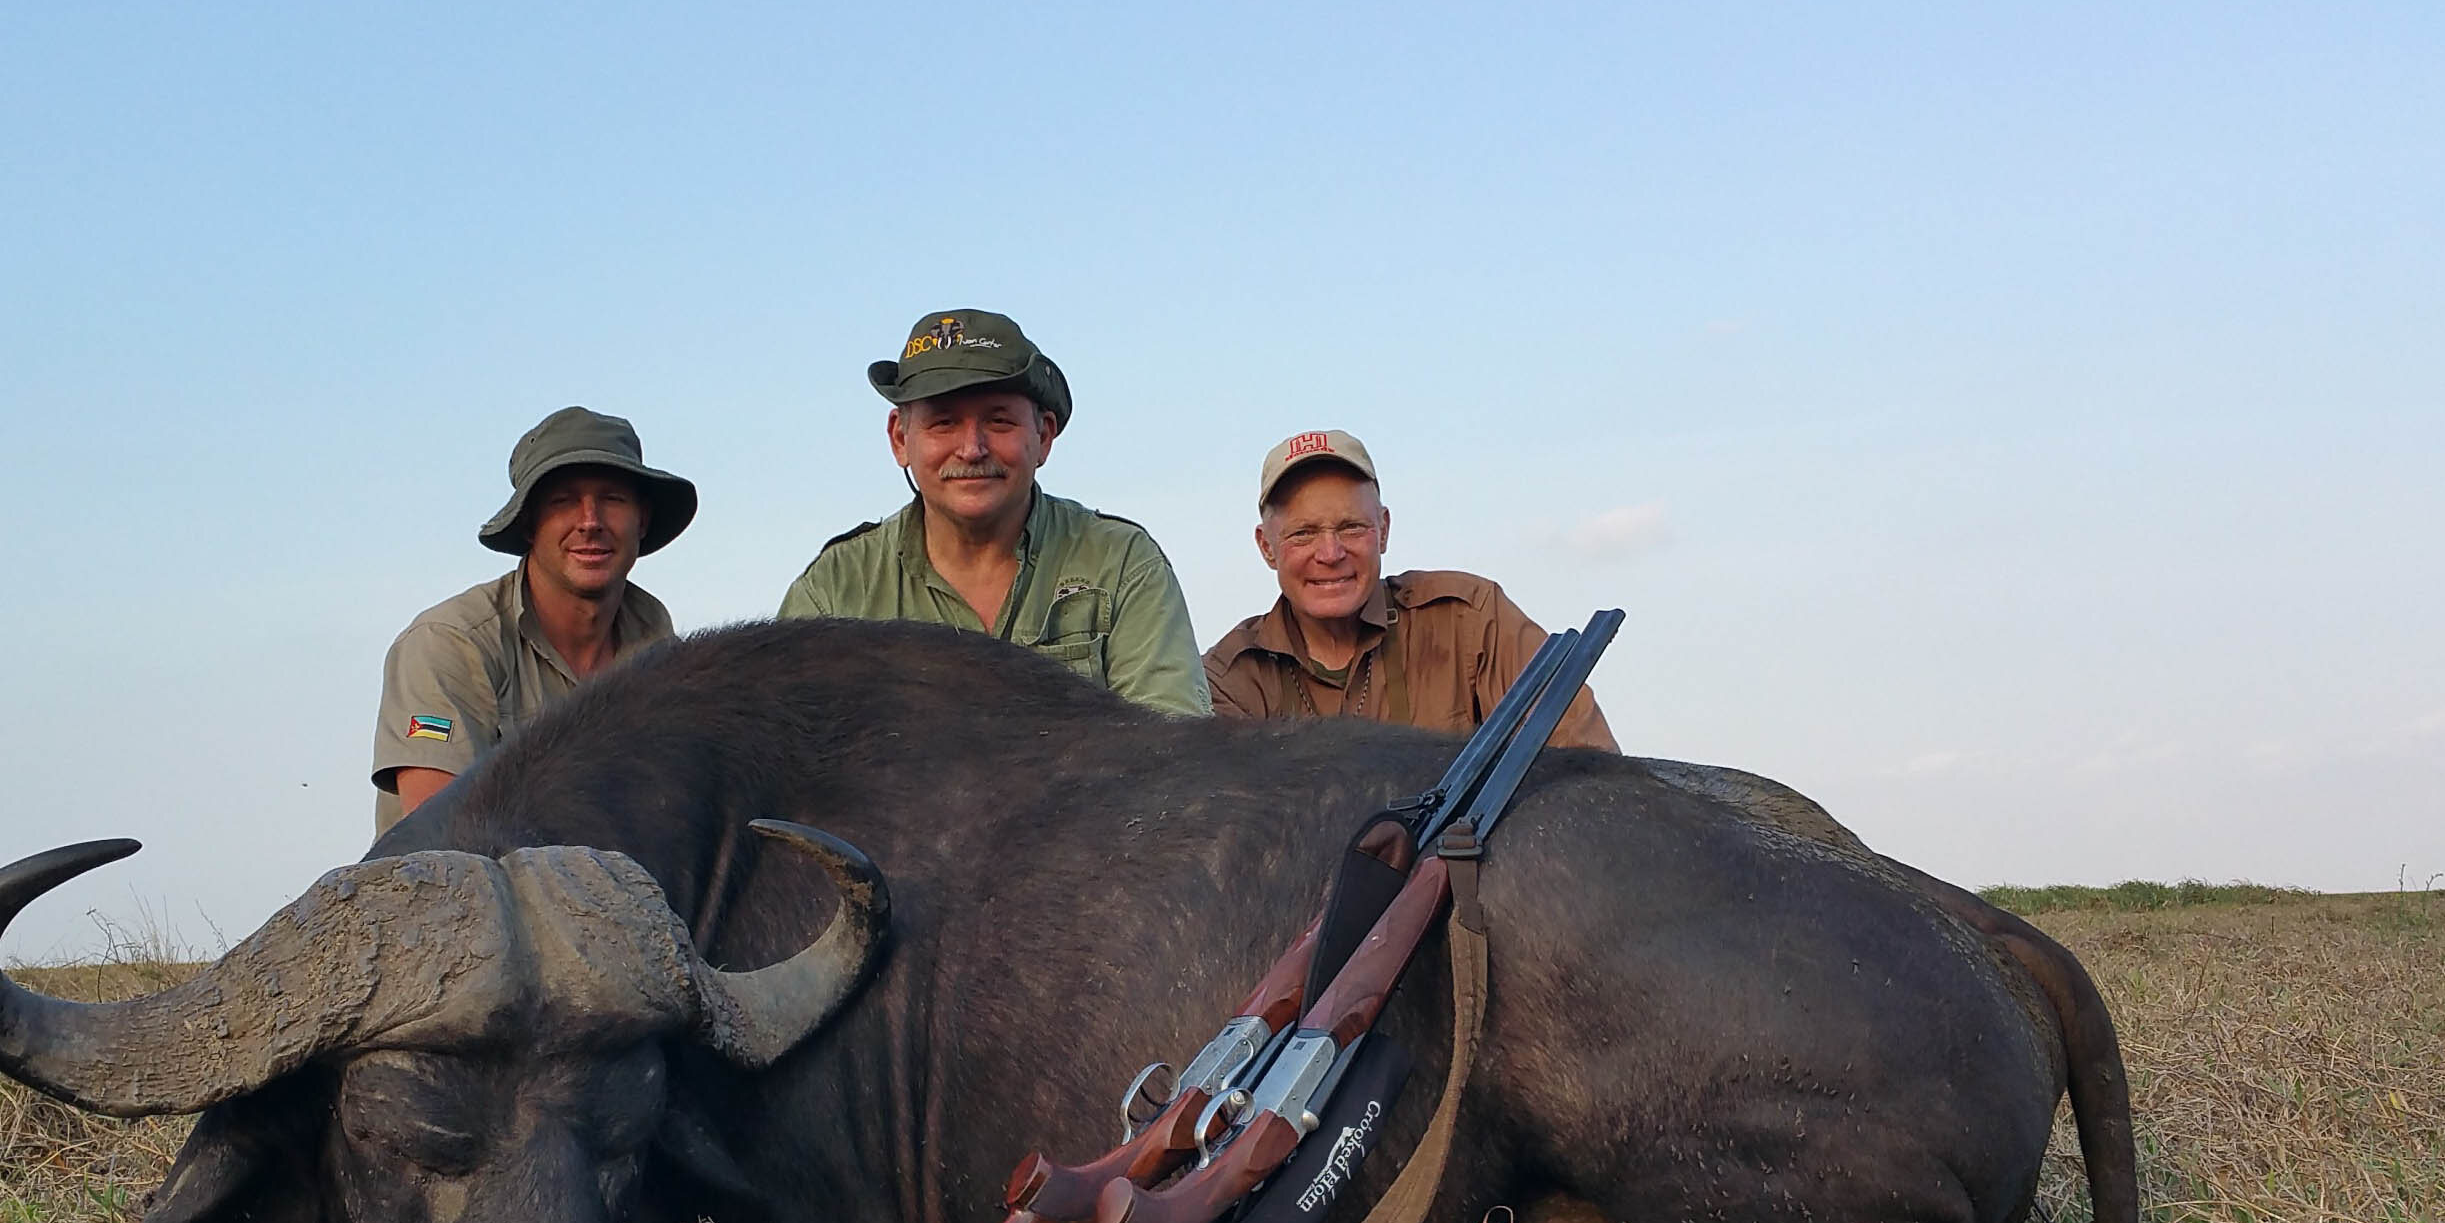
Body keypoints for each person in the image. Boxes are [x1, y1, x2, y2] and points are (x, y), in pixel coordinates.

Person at [780, 309, 1207, 715]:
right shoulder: (833, 592)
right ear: (899, 439)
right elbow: (780, 758)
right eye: (943, 422)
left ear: (1043, 436)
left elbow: (1175, 757)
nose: (972, 449)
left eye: (999, 421)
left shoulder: (1122, 564)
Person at [371, 406, 691, 831]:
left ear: (642, 519)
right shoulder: (448, 642)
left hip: (622, 888)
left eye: (612, 499)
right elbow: (439, 842)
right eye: (564, 502)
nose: (590, 522)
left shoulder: (659, 645)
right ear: (528, 524)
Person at [1203, 428, 1616, 749]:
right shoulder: (1228, 680)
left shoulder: (1471, 619)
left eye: (1352, 528)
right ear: (1266, 547)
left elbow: (1587, 768)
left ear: (1383, 530)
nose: (1330, 553)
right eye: (1303, 534)